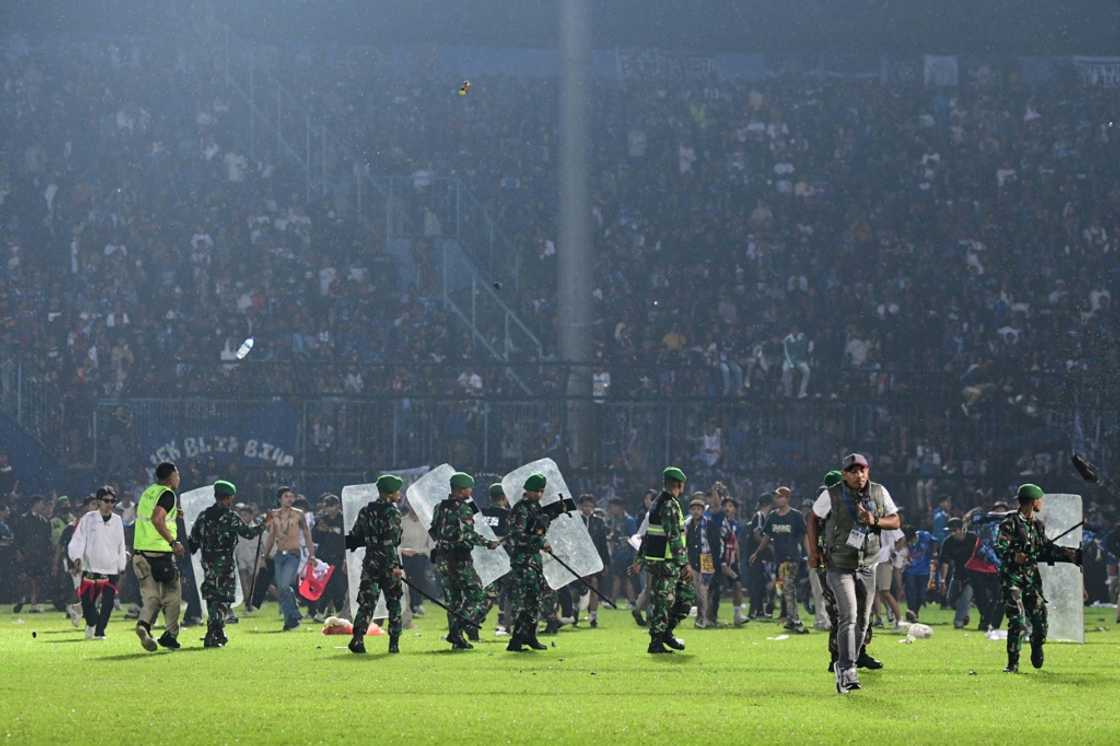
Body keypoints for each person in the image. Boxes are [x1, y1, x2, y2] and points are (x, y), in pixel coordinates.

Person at [808, 453, 900, 694]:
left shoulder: (880, 492)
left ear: (868, 471)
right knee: (848, 614)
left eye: (862, 470)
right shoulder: (831, 494)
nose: (858, 475)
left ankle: (848, 661)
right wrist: (814, 551)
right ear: (844, 474)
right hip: (839, 563)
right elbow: (813, 518)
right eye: (852, 471)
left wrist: (874, 520)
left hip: (868, 564)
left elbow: (896, 521)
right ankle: (847, 668)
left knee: (864, 621)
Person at [995, 484, 1082, 673]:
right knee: (1017, 620)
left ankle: (1036, 645)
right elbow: (999, 547)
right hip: (1012, 578)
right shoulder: (1009, 522)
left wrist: (1069, 555)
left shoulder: (1037, 525)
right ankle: (1013, 663)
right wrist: (1014, 555)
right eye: (1040, 499)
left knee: (1040, 621)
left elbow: (1044, 550)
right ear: (1033, 501)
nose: (1041, 503)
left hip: (1032, 579)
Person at [188, 480, 270, 648]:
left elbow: (193, 542)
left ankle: (217, 631)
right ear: (229, 498)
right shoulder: (230, 517)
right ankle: (214, 632)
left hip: (208, 563)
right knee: (224, 598)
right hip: (225, 564)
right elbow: (248, 533)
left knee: (212, 598)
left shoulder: (203, 516)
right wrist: (264, 525)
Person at [430, 472, 498, 650]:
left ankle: (458, 640)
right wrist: (488, 543)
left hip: (442, 559)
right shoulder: (464, 509)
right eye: (469, 488)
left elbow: (433, 531)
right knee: (477, 595)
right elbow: (468, 534)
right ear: (461, 490)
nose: (471, 491)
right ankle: (456, 630)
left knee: (453, 600)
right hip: (460, 560)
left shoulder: (439, 507)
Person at [634, 467, 695, 654]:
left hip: (662, 561)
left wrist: (640, 558)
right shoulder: (669, 504)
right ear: (678, 484)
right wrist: (684, 563)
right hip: (667, 562)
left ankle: (666, 633)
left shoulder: (658, 503)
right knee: (664, 602)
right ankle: (657, 641)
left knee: (682, 598)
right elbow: (674, 536)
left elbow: (648, 534)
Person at [346, 475, 405, 655]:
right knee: (394, 602)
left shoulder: (366, 511)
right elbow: (392, 541)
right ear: (390, 492)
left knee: (366, 603)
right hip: (388, 563)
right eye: (397, 491)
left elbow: (356, 535)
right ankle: (393, 643)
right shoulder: (393, 513)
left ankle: (358, 639)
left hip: (371, 562)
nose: (399, 494)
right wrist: (396, 566)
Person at [133, 462, 185, 652]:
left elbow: (149, 515)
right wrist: (173, 542)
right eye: (177, 474)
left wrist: (174, 512)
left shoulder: (149, 492)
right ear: (171, 476)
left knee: (151, 597)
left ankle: (143, 626)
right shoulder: (168, 494)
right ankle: (170, 635)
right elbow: (157, 519)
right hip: (160, 554)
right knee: (173, 595)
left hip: (140, 554)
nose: (179, 478)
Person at [67, 487, 128, 640]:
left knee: (108, 603)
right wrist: (77, 557)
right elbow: (78, 540)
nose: (109, 504)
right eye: (106, 501)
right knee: (88, 602)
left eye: (112, 501)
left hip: (111, 568)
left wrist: (122, 564)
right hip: (91, 567)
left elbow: (121, 543)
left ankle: (100, 631)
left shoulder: (117, 520)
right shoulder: (88, 518)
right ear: (99, 501)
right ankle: (91, 623)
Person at [751, 486, 809, 634]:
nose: (776, 499)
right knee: (784, 589)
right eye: (776, 497)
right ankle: (790, 619)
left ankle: (795, 620)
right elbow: (766, 536)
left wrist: (810, 555)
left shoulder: (796, 516)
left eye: (779, 497)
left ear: (787, 498)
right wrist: (757, 552)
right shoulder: (772, 516)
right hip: (779, 558)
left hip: (792, 558)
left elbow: (804, 536)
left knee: (788, 587)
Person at [505, 473, 551, 652]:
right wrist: (540, 542)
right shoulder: (521, 509)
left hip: (534, 559)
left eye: (541, 491)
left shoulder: (537, 508)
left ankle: (531, 636)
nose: (538, 494)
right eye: (535, 491)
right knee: (523, 600)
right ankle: (516, 639)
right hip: (522, 560)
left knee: (535, 599)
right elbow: (517, 535)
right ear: (527, 491)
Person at [260, 486, 315, 631]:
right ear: (279, 499)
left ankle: (294, 613)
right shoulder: (273, 514)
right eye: (286, 496)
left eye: (291, 496)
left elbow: (308, 535)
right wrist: (264, 555)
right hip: (279, 554)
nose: (290, 499)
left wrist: (312, 555)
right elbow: (271, 536)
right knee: (281, 588)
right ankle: (289, 620)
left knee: (284, 585)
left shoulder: (299, 514)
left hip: (293, 554)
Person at [480, 484, 513, 635]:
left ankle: (473, 622)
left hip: (484, 560)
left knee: (488, 594)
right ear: (505, 497)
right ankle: (506, 625)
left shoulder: (482, 514)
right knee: (510, 593)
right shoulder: (509, 515)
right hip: (504, 559)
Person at [934, 517, 977, 629]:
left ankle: (958, 622)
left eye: (954, 530)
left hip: (973, 574)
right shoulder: (948, 542)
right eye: (950, 531)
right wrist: (943, 581)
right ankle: (964, 614)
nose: (952, 533)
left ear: (962, 529)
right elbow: (945, 562)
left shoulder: (973, 539)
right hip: (958, 573)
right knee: (951, 600)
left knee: (965, 597)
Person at [13, 494, 52, 613]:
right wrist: (18, 551)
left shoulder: (44, 521)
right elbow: (18, 537)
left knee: (36, 579)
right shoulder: (23, 519)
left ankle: (33, 603)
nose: (43, 506)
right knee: (25, 578)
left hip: (39, 555)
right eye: (41, 504)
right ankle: (22, 598)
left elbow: (47, 539)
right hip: (26, 554)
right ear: (35, 504)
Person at [310, 494, 346, 622]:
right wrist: (320, 530)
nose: (329, 509)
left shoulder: (344, 519)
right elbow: (314, 538)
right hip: (324, 557)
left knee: (338, 586)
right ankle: (324, 612)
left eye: (332, 506)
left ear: (338, 506)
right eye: (327, 506)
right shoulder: (322, 520)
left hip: (339, 557)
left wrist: (329, 529)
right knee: (325, 585)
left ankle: (334, 611)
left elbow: (346, 539)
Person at [577, 494, 610, 628]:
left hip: (595, 560)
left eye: (590, 506)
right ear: (580, 506)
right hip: (579, 559)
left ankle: (593, 617)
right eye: (585, 505)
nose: (588, 508)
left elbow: (603, 544)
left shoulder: (599, 522)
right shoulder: (576, 521)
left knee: (594, 586)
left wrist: (606, 562)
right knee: (579, 587)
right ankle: (575, 611)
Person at [685, 495, 714, 628]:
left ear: (703, 510)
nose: (696, 511)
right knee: (697, 590)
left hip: (706, 557)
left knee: (704, 589)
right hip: (692, 558)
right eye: (694, 509)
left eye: (699, 509)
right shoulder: (686, 524)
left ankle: (705, 617)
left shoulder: (708, 523)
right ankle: (701, 616)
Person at [902, 526, 935, 621]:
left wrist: (933, 553)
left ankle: (915, 612)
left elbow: (935, 542)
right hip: (910, 570)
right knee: (910, 593)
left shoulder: (925, 536)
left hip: (924, 570)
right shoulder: (904, 541)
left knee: (921, 594)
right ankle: (911, 612)